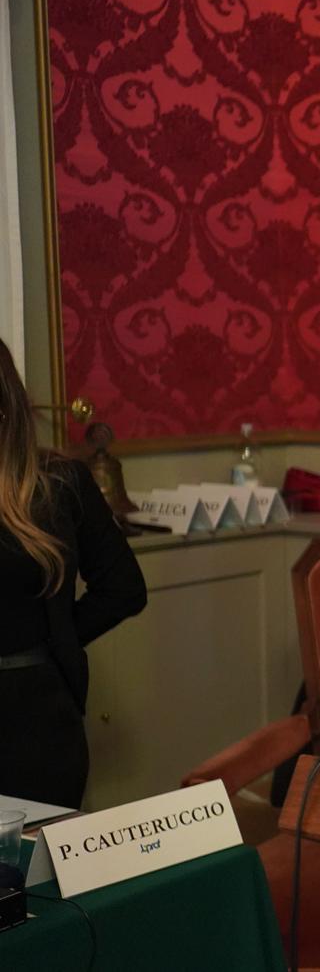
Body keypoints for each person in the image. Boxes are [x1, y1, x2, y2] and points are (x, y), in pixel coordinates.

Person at [0, 338, 145, 808]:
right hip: (39, 704)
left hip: (36, 724)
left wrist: (55, 638)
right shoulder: (58, 480)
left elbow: (124, 589)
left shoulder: (59, 482)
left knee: (39, 852)